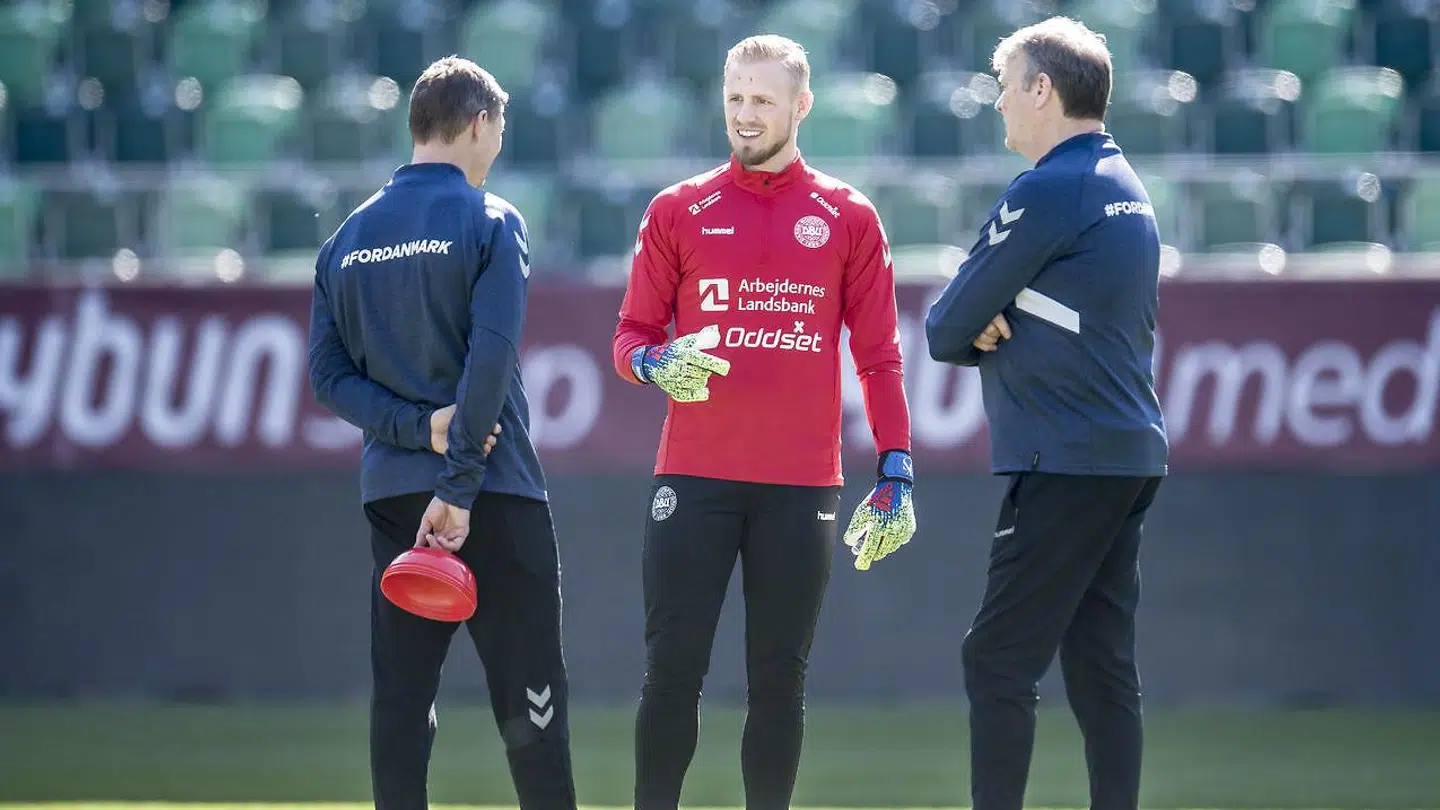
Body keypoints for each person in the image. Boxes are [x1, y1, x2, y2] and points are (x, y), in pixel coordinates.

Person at [611, 33, 918, 810]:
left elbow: (880, 358)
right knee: (673, 670)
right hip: (694, 475)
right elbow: (631, 338)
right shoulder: (678, 209)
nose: (745, 116)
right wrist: (652, 365)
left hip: (801, 481)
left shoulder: (847, 215)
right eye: (735, 98)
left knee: (779, 679)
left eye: (762, 100)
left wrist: (896, 468)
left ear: (800, 107)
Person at [307, 56, 577, 810]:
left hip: (394, 498)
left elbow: (328, 380)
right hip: (491, 493)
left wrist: (415, 430)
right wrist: (457, 484)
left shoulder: (346, 239)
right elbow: (491, 358)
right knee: (531, 703)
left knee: (400, 700)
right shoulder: (492, 218)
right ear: (479, 124)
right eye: (499, 130)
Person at [923, 17, 1170, 810]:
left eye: (1006, 88)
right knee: (1102, 670)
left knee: (996, 660)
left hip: (1066, 460)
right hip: (1123, 456)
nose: (999, 106)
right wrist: (991, 317)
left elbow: (945, 325)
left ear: (1043, 89)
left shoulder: (1052, 187)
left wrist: (989, 320)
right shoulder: (1123, 184)